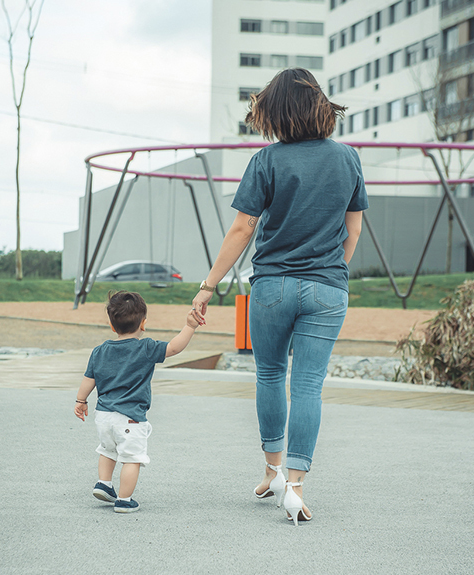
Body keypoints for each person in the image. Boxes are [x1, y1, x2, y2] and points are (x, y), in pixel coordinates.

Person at [192, 67, 367, 526]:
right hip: (328, 286)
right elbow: (353, 229)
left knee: (270, 374)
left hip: (273, 286)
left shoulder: (266, 161)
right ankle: (294, 485)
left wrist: (209, 285)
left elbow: (242, 227)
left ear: (277, 112)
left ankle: (271, 471)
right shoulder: (348, 159)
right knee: (308, 384)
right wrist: (334, 270)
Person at [74, 291, 202, 513]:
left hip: (103, 416)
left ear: (112, 326)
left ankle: (104, 484)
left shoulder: (100, 351)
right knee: (132, 458)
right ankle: (124, 499)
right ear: (143, 324)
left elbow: (89, 380)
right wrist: (190, 326)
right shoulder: (146, 348)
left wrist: (80, 400)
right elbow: (174, 347)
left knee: (107, 450)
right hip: (130, 418)